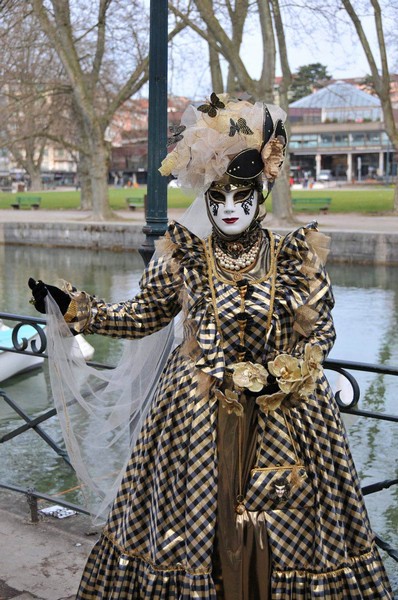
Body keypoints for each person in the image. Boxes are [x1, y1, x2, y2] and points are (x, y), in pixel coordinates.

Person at [28, 93, 393, 599]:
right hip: (194, 421)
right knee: (195, 522)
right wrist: (75, 307)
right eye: (215, 199)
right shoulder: (184, 255)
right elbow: (143, 316)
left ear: (260, 194)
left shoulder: (295, 255)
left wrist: (285, 372)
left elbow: (321, 332)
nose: (226, 210)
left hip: (284, 419)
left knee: (288, 526)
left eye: (238, 199)